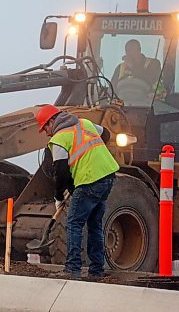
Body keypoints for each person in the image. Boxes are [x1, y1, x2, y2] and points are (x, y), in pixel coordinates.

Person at [36, 104, 119, 278]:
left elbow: (61, 172)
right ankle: (96, 270)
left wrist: (58, 196)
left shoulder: (59, 139)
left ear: (52, 121)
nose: (46, 132)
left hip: (89, 180)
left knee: (74, 223)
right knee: (95, 225)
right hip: (108, 175)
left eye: (45, 127)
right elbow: (107, 135)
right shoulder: (85, 123)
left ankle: (72, 268)